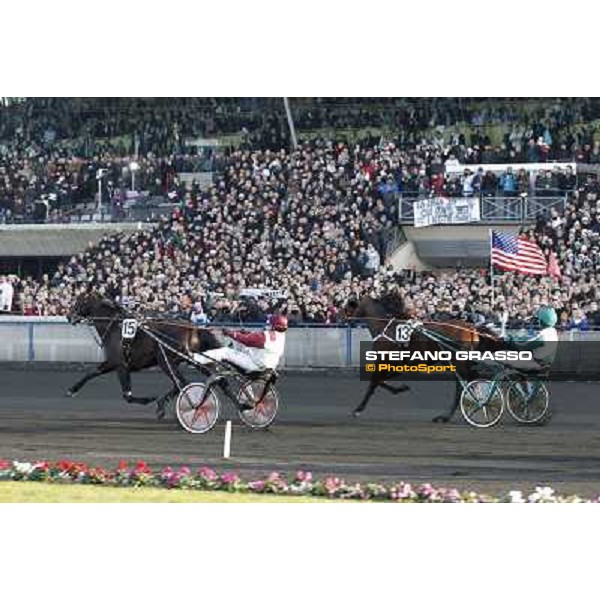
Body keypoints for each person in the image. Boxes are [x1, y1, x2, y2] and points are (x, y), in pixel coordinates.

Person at [192, 313, 288, 373]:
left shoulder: (266, 336)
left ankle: (195, 358)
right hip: (266, 363)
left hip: (256, 364)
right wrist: (245, 333)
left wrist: (230, 333)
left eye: (270, 323)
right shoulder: (280, 336)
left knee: (225, 351)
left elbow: (247, 341)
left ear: (274, 326)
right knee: (239, 347)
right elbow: (254, 339)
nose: (268, 324)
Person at [501, 305, 559, 372]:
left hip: (537, 364)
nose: (537, 320)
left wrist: (509, 339)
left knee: (502, 356)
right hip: (543, 363)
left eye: (538, 319)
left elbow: (521, 345)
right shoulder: (552, 331)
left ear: (542, 320)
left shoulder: (543, 335)